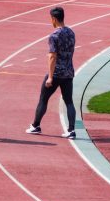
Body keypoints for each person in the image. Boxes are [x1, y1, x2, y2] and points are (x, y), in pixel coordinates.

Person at [26, 7, 77, 139]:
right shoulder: (71, 32)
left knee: (43, 99)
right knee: (69, 101)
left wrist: (50, 77)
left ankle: (36, 125)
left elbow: (52, 56)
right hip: (68, 72)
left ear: (54, 19)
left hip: (55, 74)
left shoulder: (54, 36)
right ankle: (71, 130)